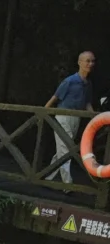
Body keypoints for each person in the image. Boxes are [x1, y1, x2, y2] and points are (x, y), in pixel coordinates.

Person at [45, 51, 95, 184]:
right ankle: (68, 184)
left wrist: (95, 119)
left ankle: (47, 177)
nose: (90, 64)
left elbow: (87, 103)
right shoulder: (70, 81)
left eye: (92, 61)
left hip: (76, 118)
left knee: (63, 149)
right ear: (79, 62)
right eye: (87, 61)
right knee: (67, 149)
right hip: (63, 117)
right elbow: (54, 98)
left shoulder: (88, 84)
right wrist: (42, 114)